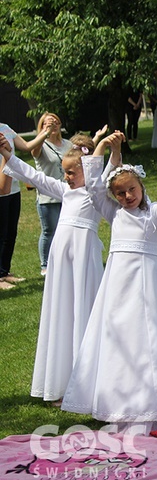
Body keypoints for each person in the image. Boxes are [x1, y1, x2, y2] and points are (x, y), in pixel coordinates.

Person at [61, 132, 157, 434]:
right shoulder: (114, 213)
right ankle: (119, 400)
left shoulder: (154, 215)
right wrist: (111, 150)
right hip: (118, 289)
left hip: (146, 288)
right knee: (119, 338)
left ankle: (150, 401)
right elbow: (95, 189)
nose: (127, 197)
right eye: (120, 194)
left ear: (141, 186)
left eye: (131, 190)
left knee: (147, 339)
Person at [0, 134, 104, 403]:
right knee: (62, 312)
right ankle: (61, 382)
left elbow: (102, 172)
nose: (67, 177)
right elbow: (35, 178)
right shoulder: (66, 191)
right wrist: (8, 155)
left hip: (84, 259)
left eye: (71, 172)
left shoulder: (97, 193)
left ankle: (86, 383)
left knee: (83, 310)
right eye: (65, 172)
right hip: (61, 261)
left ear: (87, 169)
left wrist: (101, 146)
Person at [0, 122, 50, 289]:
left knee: (10, 232)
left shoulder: (5, 128)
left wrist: (45, 132)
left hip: (12, 187)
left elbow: (27, 146)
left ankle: (4, 271)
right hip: (0, 188)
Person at [31, 112, 72, 275]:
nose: (52, 125)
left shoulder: (67, 144)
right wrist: (45, 134)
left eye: (55, 122)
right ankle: (45, 265)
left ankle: (64, 259)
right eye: (48, 123)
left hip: (67, 194)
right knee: (49, 230)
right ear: (41, 127)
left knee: (66, 229)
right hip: (47, 196)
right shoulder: (41, 145)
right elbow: (33, 151)